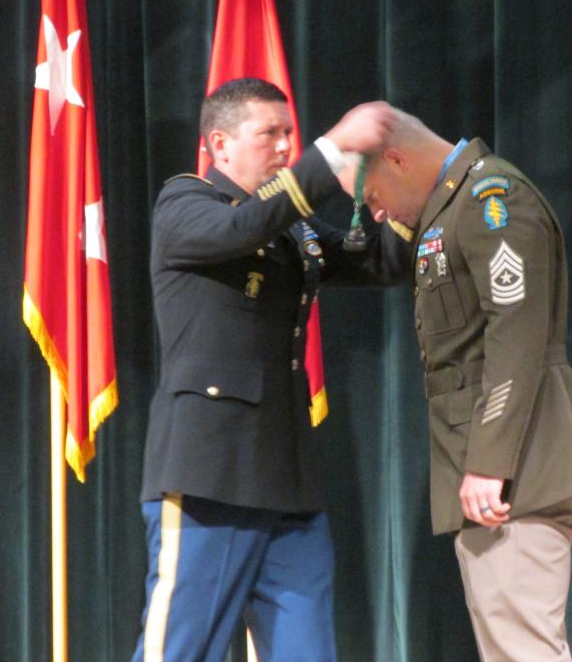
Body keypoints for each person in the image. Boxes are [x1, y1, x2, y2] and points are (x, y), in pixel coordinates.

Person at [133, 78, 413, 662]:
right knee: (181, 648)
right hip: (211, 470)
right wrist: (331, 149)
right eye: (270, 134)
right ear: (219, 144)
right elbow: (243, 229)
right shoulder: (185, 203)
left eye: (292, 134)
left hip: (286, 477)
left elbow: (383, 261)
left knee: (306, 650)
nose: (287, 146)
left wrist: (408, 191)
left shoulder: (293, 230)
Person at [361, 111, 572, 662]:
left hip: (518, 467)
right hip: (496, 468)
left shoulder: (489, 199)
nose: (376, 214)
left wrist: (490, 461)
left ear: (398, 159)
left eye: (375, 195)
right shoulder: (448, 209)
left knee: (524, 650)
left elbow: (517, 329)